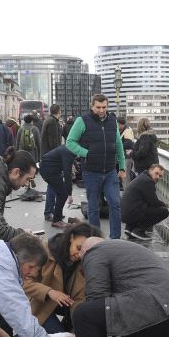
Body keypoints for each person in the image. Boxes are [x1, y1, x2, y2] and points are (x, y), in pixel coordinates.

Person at [66, 95, 126, 239]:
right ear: (92, 106)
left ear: (107, 106)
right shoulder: (82, 120)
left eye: (104, 107)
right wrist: (86, 153)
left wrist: (122, 167)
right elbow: (70, 142)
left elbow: (118, 144)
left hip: (110, 171)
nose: (101, 110)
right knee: (93, 207)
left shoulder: (112, 120)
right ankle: (96, 239)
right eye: (98, 107)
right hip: (91, 172)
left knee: (115, 204)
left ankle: (115, 239)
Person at [23, 221, 99, 332]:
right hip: (40, 303)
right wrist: (49, 292)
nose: (80, 255)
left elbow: (79, 298)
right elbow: (23, 282)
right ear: (71, 238)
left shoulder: (84, 262)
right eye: (78, 248)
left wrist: (79, 330)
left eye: (85, 252)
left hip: (66, 304)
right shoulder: (44, 250)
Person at [121, 164, 169, 240]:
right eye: (156, 173)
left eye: (160, 176)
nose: (157, 177)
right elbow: (154, 202)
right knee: (164, 212)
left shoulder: (142, 177)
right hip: (131, 213)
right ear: (150, 170)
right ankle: (139, 230)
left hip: (125, 214)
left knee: (144, 205)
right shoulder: (148, 181)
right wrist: (164, 205)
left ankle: (129, 228)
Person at [39, 144, 76, 226]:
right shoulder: (69, 152)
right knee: (63, 193)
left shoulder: (69, 148)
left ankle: (56, 215)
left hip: (51, 169)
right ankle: (56, 220)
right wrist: (70, 194)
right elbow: (67, 174)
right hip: (48, 170)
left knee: (59, 192)